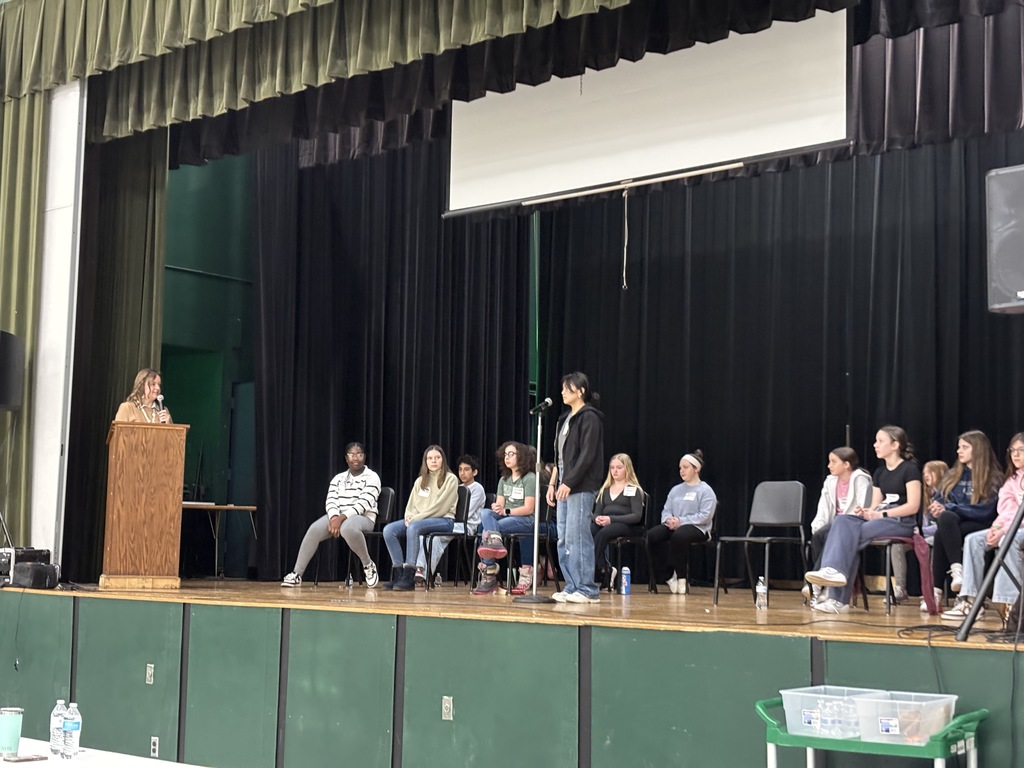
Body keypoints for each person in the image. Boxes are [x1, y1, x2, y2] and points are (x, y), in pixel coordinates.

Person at [805, 425, 922, 614]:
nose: (875, 445)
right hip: (879, 520)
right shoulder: (880, 473)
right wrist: (866, 512)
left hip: (901, 522)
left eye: (880, 441)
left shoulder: (910, 470)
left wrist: (881, 514)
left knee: (851, 536)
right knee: (842, 521)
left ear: (895, 445)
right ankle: (834, 583)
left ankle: (837, 594)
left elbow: (913, 506)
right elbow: (874, 505)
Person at [942, 433, 1024, 621]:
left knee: (1008, 539)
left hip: (1015, 530)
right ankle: (971, 601)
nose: (1016, 455)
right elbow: (1006, 511)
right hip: (1010, 527)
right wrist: (996, 528)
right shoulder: (1012, 481)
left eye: (1021, 450)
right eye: (1012, 451)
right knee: (974, 540)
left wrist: (1003, 531)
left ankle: (1010, 604)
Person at [281, 442, 382, 588]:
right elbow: (331, 500)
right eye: (351, 455)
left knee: (347, 528)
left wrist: (341, 519)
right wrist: (334, 517)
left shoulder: (372, 477)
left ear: (364, 457)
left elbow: (363, 503)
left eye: (359, 455)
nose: (355, 458)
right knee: (315, 529)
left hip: (363, 517)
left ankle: (368, 565)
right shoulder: (338, 478)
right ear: (346, 458)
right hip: (337, 517)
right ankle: (297, 573)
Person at [546, 372, 605, 604]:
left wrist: (569, 482)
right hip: (564, 481)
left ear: (580, 391)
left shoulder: (590, 417)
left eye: (567, 388)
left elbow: (587, 455)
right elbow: (560, 458)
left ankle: (587, 588)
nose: (562, 392)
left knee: (578, 535)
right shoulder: (564, 419)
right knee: (563, 537)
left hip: (580, 484)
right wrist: (553, 483)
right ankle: (572, 586)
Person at [928, 430, 1001, 603]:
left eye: (964, 447)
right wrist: (937, 508)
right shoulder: (952, 475)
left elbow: (986, 511)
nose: (959, 451)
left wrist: (951, 508)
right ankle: (956, 573)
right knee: (945, 520)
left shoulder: (993, 477)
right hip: (953, 524)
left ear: (978, 449)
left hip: (981, 524)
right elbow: (940, 501)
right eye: (959, 447)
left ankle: (937, 592)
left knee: (942, 530)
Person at [382, 445, 459, 591]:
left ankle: (409, 574)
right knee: (389, 530)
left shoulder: (451, 479)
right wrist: (409, 516)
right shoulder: (420, 481)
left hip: (444, 520)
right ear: (425, 461)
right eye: (430, 458)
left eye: (437, 457)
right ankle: (398, 574)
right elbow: (411, 505)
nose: (433, 461)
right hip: (420, 519)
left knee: (414, 527)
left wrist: (416, 518)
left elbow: (441, 507)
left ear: (443, 460)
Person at [803, 447, 873, 606]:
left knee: (830, 535)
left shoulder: (860, 479)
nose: (829, 465)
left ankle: (817, 585)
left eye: (834, 462)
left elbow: (864, 506)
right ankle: (823, 582)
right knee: (819, 535)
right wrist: (818, 525)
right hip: (836, 524)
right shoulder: (830, 481)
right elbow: (824, 507)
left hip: (855, 523)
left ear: (846, 464)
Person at [646, 451, 717, 594]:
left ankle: (682, 578)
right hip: (675, 525)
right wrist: (668, 520)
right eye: (680, 468)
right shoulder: (676, 490)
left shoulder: (705, 490)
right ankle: (668, 575)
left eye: (685, 467)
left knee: (679, 536)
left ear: (696, 469)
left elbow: (705, 516)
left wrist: (681, 521)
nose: (681, 471)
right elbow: (666, 510)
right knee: (651, 536)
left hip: (697, 528)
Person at [473, 442, 538, 595]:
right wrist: (497, 507)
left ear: (521, 456)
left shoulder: (530, 478)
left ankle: (489, 575)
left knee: (488, 530)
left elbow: (529, 508)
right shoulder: (504, 479)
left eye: (511, 454)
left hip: (525, 519)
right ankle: (495, 542)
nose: (506, 457)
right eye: (505, 455)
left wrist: (506, 511)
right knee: (485, 513)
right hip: (506, 517)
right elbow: (499, 505)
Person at [413, 454, 485, 584]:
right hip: (451, 522)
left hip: (465, 526)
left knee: (436, 537)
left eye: (466, 469)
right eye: (460, 469)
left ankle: (424, 572)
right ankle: (420, 570)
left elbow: (465, 514)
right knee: (424, 533)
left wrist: (444, 514)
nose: (462, 473)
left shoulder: (477, 489)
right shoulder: (457, 486)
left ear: (474, 472)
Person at [591, 454, 645, 591]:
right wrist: (596, 518)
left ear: (627, 469)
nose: (615, 471)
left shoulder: (633, 489)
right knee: (590, 529)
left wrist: (611, 519)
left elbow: (636, 516)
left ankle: (593, 569)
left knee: (604, 533)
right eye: (612, 468)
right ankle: (605, 569)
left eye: (619, 468)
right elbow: (596, 512)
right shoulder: (605, 490)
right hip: (606, 522)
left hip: (626, 525)